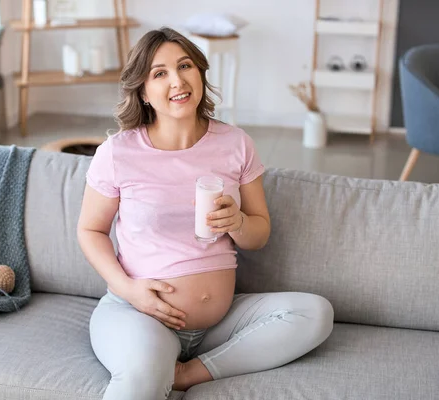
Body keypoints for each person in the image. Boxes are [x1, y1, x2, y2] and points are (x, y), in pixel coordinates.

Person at [77, 27, 334, 400]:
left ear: (200, 72)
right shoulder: (118, 153)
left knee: (315, 313)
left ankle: (188, 374)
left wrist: (240, 222)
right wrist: (130, 290)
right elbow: (90, 231)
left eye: (185, 66)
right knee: (142, 377)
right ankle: (160, 367)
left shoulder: (235, 144)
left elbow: (259, 234)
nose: (177, 81)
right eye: (159, 73)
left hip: (220, 323)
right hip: (140, 314)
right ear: (143, 91)